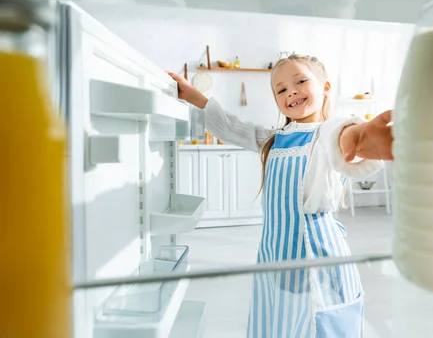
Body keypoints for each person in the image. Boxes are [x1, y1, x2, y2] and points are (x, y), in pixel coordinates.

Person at [168, 54, 392, 338]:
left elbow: (343, 133)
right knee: (280, 323)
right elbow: (231, 126)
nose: (292, 92)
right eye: (281, 89)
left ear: (325, 88)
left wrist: (358, 137)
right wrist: (193, 95)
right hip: (275, 255)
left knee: (316, 324)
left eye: (300, 81)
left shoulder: (327, 134)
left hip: (317, 257)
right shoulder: (273, 139)